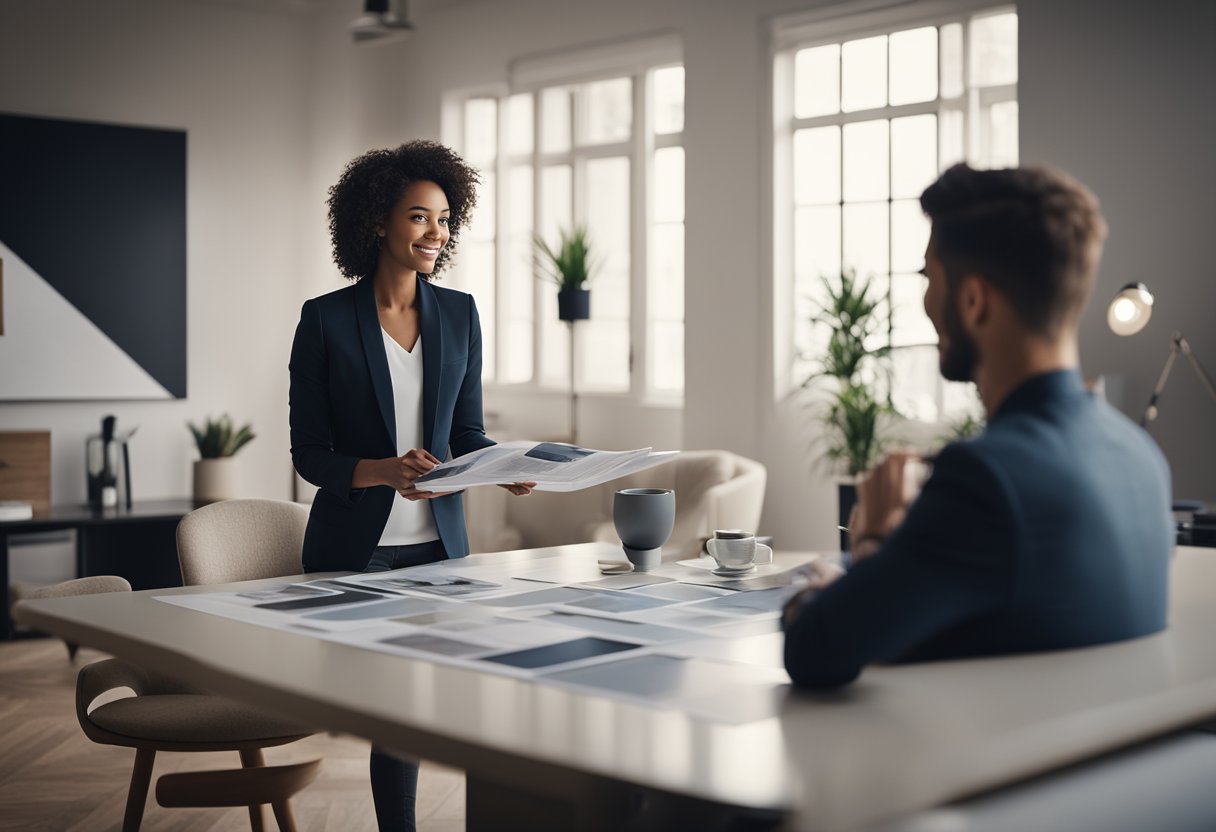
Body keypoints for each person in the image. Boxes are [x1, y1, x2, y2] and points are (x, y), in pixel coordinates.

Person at [782, 163, 1173, 690]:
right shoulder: (1141, 458)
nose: (924, 301)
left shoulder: (984, 479)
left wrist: (866, 548)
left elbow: (816, 649)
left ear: (973, 300)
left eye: (928, 278)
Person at [289, 140, 534, 831]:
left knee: (428, 707)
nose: (437, 234)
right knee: (397, 708)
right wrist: (382, 472)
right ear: (377, 224)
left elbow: (466, 432)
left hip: (439, 550)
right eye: (421, 218)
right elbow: (309, 454)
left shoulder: (459, 315)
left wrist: (505, 464)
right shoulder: (326, 320)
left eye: (446, 219)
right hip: (354, 550)